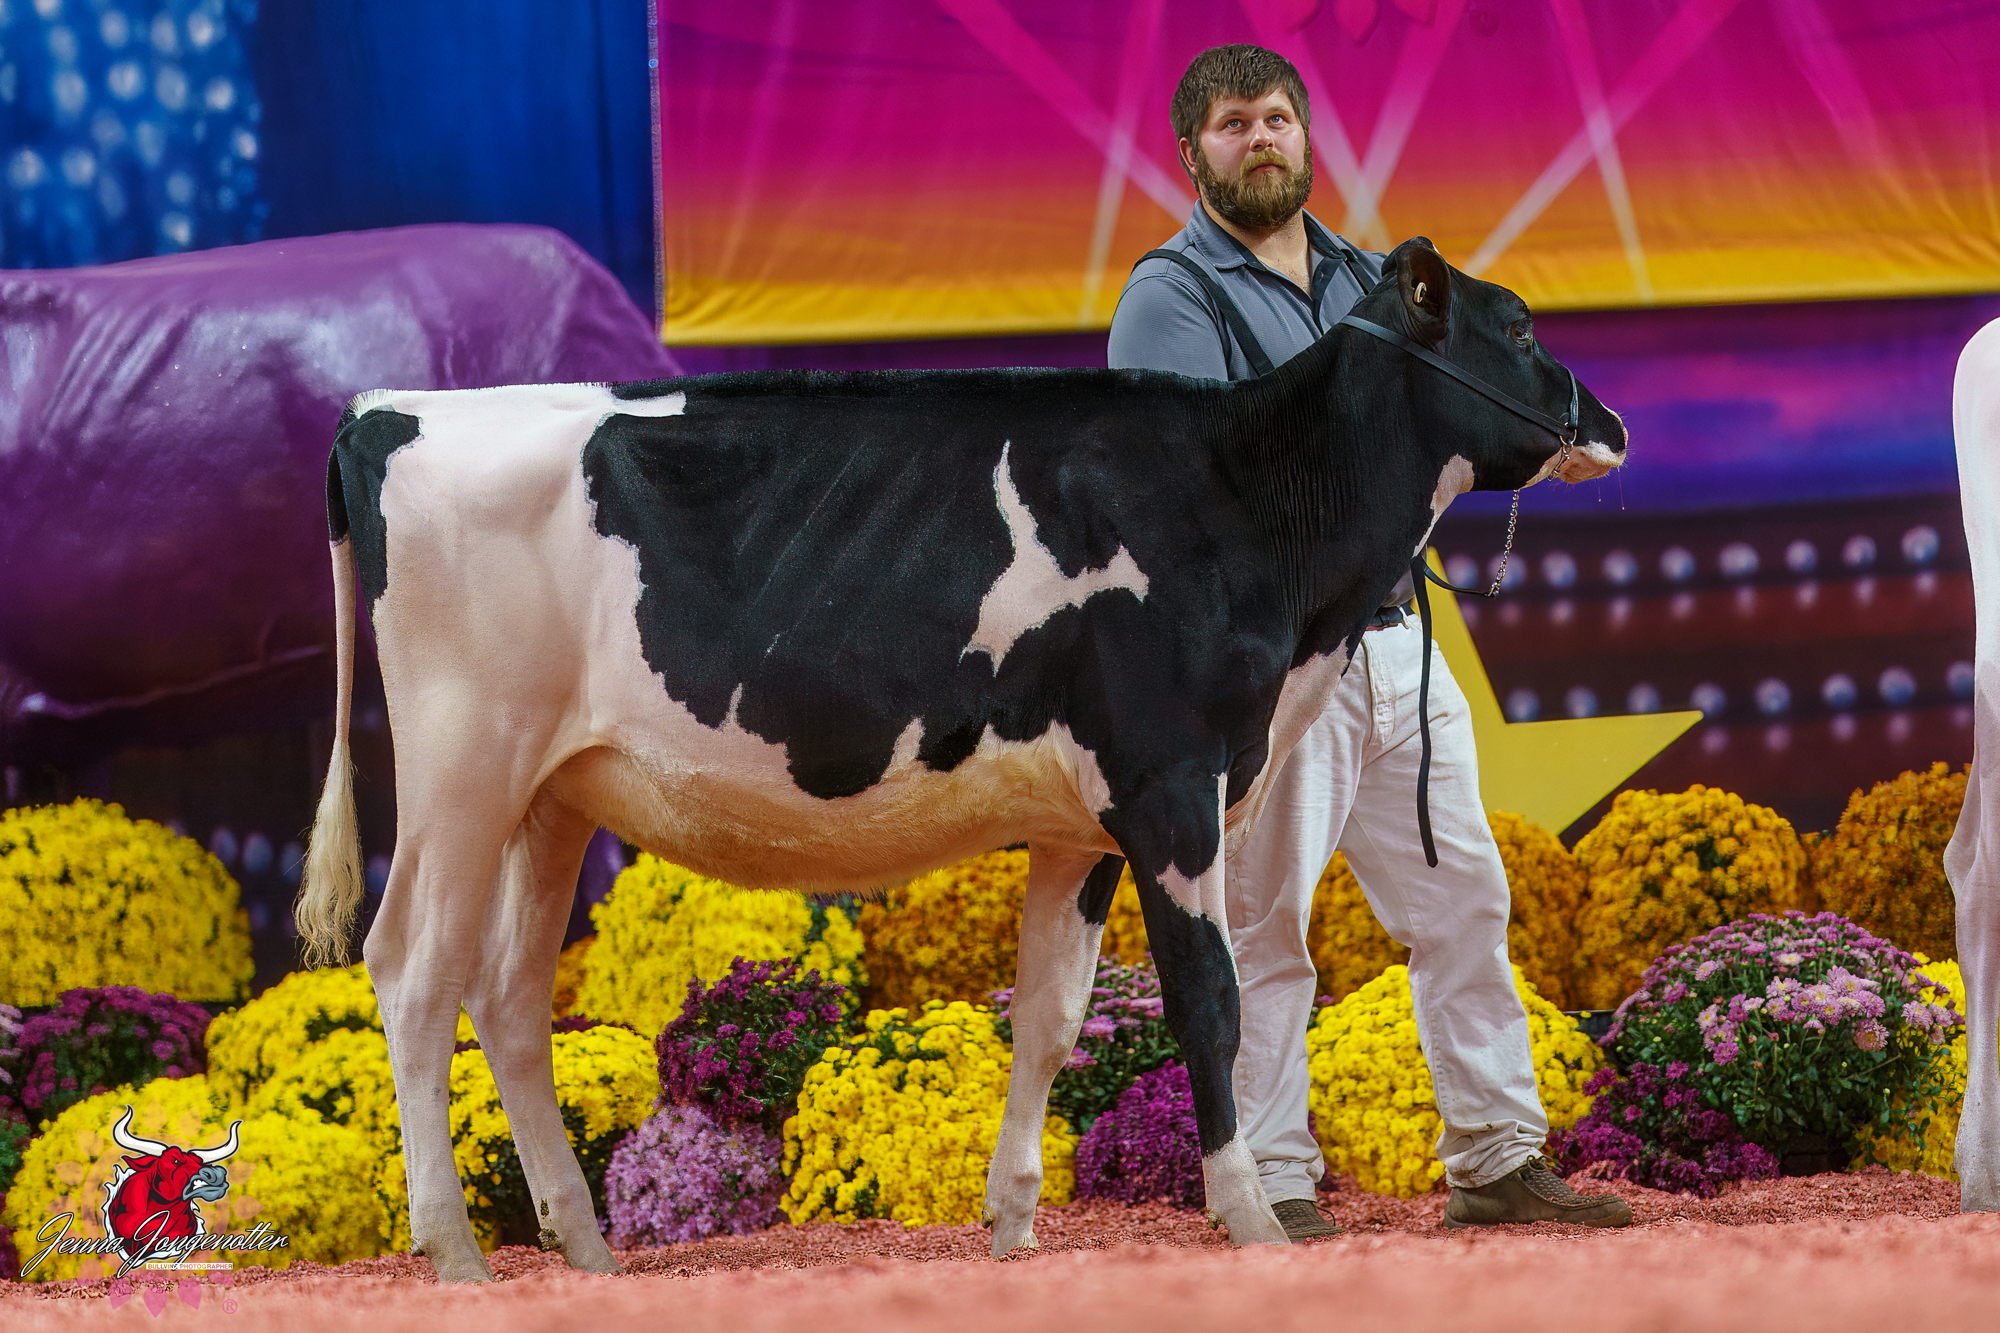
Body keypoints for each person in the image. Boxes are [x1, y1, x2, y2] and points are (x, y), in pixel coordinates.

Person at [1107, 44, 1633, 1239]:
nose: (1259, 139)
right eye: (1232, 123)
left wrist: (1526, 439)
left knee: (1465, 904)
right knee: (1263, 933)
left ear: (1305, 137)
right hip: (1272, 668)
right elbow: (1187, 486)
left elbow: (1454, 411)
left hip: (1397, 641)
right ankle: (1269, 1182)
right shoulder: (1168, 298)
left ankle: (1497, 1158)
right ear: (1190, 154)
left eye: (1275, 118)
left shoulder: (1378, 278)